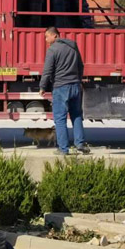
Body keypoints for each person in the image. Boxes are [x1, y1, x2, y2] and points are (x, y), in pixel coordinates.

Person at [39, 26, 89, 155]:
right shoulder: (73, 47)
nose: (46, 40)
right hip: (75, 86)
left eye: (47, 36)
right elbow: (80, 65)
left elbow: (47, 71)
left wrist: (42, 87)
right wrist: (78, 80)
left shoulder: (53, 50)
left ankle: (63, 149)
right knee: (76, 115)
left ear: (54, 36)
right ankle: (80, 144)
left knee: (60, 119)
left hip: (61, 87)